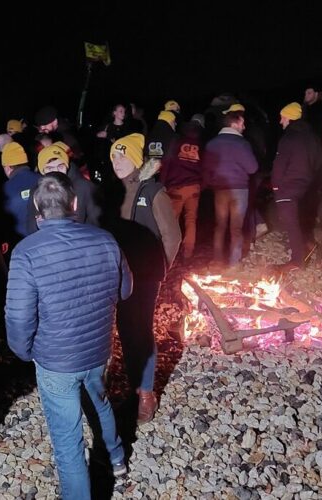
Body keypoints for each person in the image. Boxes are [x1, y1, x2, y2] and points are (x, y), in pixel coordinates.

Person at [6, 173, 131, 499]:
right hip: (97, 349)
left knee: (68, 442)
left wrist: (24, 351)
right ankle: (117, 458)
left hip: (56, 359)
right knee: (100, 400)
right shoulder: (105, 240)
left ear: (36, 206)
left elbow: (19, 318)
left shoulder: (26, 252)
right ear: (75, 203)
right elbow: (126, 289)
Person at [109, 133, 180, 423]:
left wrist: (159, 269)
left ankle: (147, 393)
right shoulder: (112, 192)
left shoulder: (153, 192)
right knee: (125, 330)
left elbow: (172, 236)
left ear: (137, 159)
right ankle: (135, 385)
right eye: (113, 155)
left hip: (145, 276)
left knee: (142, 329)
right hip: (119, 275)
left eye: (122, 155)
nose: (116, 161)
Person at [203, 103, 260, 267]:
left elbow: (206, 169)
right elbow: (253, 168)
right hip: (239, 190)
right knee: (236, 228)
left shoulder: (212, 144)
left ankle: (217, 260)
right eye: (242, 123)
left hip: (220, 190)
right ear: (233, 124)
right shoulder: (242, 144)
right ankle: (234, 263)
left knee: (220, 225)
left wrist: (212, 183)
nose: (244, 126)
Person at [271, 103, 322, 273]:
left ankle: (297, 260)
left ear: (290, 117)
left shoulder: (289, 137)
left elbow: (280, 164)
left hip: (289, 185)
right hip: (307, 184)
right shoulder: (312, 136)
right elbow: (319, 161)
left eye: (282, 117)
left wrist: (276, 186)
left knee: (290, 222)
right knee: (300, 218)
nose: (280, 121)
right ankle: (307, 245)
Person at [25, 143, 101, 234]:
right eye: (50, 168)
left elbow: (96, 221)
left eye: (60, 166)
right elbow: (31, 226)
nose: (56, 171)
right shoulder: (37, 191)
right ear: (42, 171)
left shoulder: (84, 187)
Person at [161, 118, 204, 260]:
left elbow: (167, 162)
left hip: (177, 187)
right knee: (191, 219)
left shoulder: (176, 142)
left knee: (172, 220)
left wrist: (163, 183)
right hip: (194, 187)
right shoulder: (201, 145)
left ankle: (170, 252)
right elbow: (205, 167)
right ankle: (188, 252)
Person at [0, 142, 41, 243]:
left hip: (20, 241)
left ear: (7, 167)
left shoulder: (5, 189)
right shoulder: (42, 179)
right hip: (44, 237)